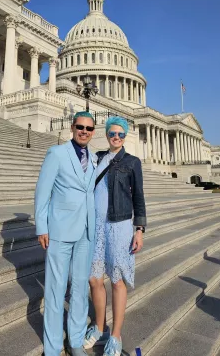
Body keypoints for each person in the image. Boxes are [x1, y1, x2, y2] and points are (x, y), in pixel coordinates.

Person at [35, 111, 97, 356]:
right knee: (55, 289)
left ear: (93, 132)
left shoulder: (93, 158)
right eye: (80, 127)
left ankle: (76, 340)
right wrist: (42, 226)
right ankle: (52, 348)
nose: (84, 131)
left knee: (80, 289)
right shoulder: (57, 153)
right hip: (60, 229)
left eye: (89, 128)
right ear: (72, 127)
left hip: (86, 231)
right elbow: (43, 192)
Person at [83, 116, 146, 355]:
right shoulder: (97, 157)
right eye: (112, 134)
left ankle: (116, 336)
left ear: (125, 136)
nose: (116, 137)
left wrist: (139, 229)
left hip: (119, 226)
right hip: (96, 225)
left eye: (120, 134)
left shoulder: (132, 162)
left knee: (117, 280)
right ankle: (99, 327)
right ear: (107, 134)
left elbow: (139, 197)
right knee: (94, 278)